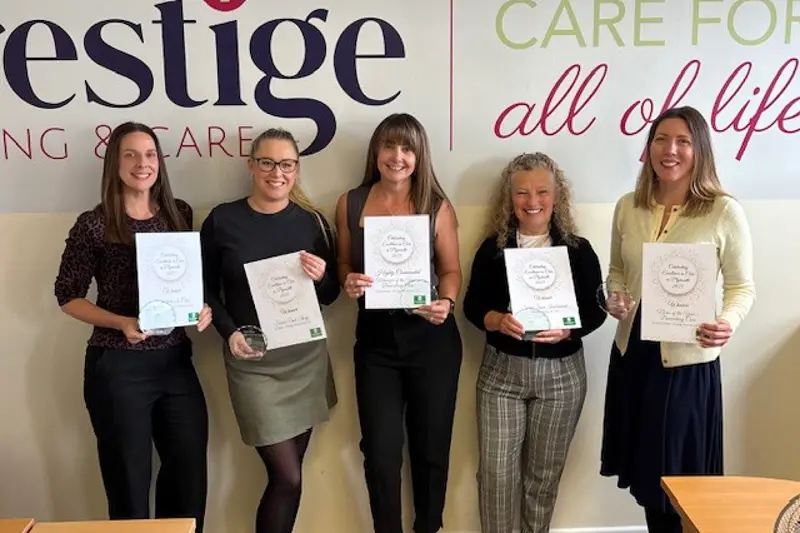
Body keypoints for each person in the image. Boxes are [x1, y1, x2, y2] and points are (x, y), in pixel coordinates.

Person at [599, 106, 756, 533]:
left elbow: (742, 287)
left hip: (687, 364)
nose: (670, 150)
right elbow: (616, 271)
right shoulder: (628, 207)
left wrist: (727, 322)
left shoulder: (723, 211)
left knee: (684, 485)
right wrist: (615, 297)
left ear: (699, 150)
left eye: (683, 141)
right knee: (649, 478)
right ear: (649, 147)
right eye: (661, 139)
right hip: (636, 356)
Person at [54, 122, 212, 532]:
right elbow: (67, 296)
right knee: (129, 483)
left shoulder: (179, 213)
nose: (142, 163)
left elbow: (185, 281)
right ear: (115, 163)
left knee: (188, 476)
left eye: (150, 154)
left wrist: (199, 310)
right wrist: (121, 322)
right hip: (118, 367)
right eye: (131, 155)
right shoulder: (95, 223)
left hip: (175, 363)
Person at [200, 127, 339, 533]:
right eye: (267, 162)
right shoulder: (222, 220)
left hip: (304, 359)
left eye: (287, 164)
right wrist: (228, 331)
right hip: (252, 361)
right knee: (288, 477)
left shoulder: (312, 222)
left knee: (290, 480)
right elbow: (204, 289)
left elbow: (331, 295)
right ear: (251, 165)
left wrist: (322, 276)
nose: (277, 173)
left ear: (297, 169)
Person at [462, 152, 607, 533]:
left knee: (543, 477)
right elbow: (472, 306)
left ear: (557, 196)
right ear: (509, 199)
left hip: (562, 378)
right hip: (501, 376)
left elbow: (597, 310)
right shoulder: (492, 249)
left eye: (542, 191)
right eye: (522, 193)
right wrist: (496, 320)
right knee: (495, 473)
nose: (532, 201)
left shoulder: (579, 250)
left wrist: (569, 330)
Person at [334, 113, 463, 533]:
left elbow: (451, 271)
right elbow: (343, 264)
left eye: (407, 148)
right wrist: (348, 281)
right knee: (380, 452)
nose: (397, 156)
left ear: (419, 156)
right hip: (376, 343)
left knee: (431, 449)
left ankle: (429, 528)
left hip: (432, 339)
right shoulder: (350, 203)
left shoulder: (436, 205)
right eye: (389, 145)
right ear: (376, 151)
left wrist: (446, 302)